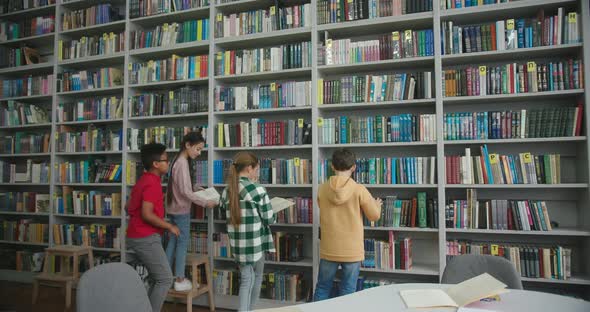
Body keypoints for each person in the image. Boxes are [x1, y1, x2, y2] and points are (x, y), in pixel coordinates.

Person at [314, 148, 382, 301]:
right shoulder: (359, 189)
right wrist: (377, 205)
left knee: (323, 287)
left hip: (329, 247)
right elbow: (374, 216)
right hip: (352, 249)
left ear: (332, 166)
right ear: (353, 167)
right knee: (348, 290)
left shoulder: (322, 189)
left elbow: (322, 207)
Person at [219, 151, 275, 312]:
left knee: (246, 279)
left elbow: (223, 207)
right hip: (256, 243)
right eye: (256, 170)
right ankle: (248, 309)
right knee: (255, 278)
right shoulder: (258, 190)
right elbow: (269, 218)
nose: (257, 173)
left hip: (238, 245)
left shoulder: (227, 190)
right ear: (249, 168)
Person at [126, 143, 178, 312]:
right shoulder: (152, 183)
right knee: (165, 278)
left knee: (157, 278)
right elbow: (147, 214)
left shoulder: (144, 180)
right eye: (166, 160)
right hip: (145, 237)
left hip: (139, 235)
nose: (168, 163)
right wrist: (169, 226)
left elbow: (128, 206)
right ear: (156, 164)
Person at [165, 131, 217, 291]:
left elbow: (181, 186)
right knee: (181, 244)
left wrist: (195, 188)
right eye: (198, 149)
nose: (199, 153)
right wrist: (204, 202)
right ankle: (179, 279)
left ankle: (165, 276)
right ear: (188, 145)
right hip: (181, 210)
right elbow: (185, 193)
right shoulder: (182, 163)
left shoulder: (177, 160)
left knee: (173, 242)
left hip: (173, 208)